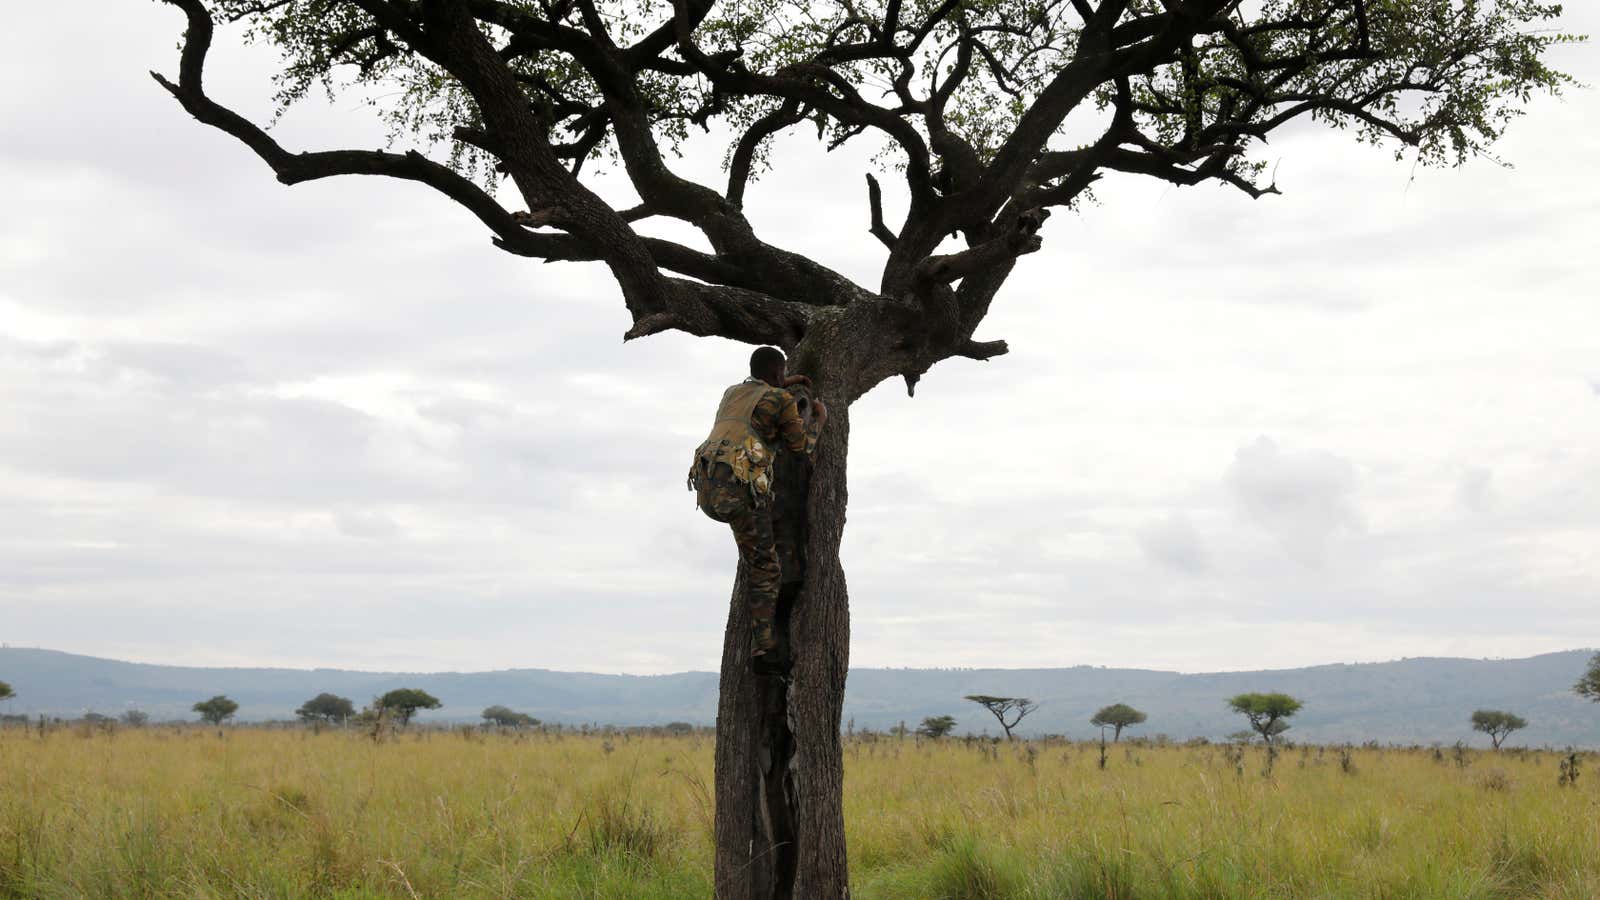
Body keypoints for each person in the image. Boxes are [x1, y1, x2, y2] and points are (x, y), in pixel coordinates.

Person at [688, 346, 828, 667]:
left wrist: (781, 381)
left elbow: (756, 398)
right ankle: (764, 648)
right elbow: (799, 448)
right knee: (765, 567)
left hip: (707, 485)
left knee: (752, 546)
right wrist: (818, 420)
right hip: (738, 488)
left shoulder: (731, 393)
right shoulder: (780, 401)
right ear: (778, 374)